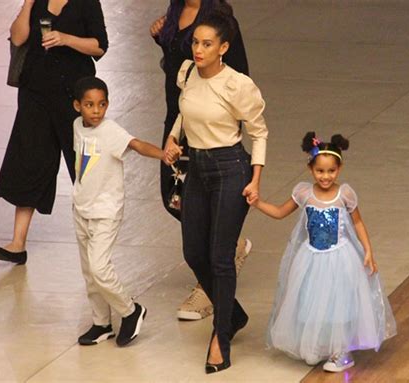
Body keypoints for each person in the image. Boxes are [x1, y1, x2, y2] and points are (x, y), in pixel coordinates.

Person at [164, 13, 268, 373]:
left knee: (221, 256)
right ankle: (233, 313)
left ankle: (220, 338)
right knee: (194, 252)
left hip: (230, 170)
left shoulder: (237, 85)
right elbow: (184, 110)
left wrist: (255, 179)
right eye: (195, 42)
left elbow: (259, 132)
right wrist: (174, 137)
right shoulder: (188, 73)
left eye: (207, 44)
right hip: (198, 169)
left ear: (224, 48)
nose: (198, 49)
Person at [250, 132, 397, 372]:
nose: (325, 176)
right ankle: (319, 343)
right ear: (310, 169)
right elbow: (279, 212)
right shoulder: (303, 193)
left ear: (339, 169)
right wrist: (257, 203)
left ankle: (341, 351)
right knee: (311, 302)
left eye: (331, 171)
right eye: (320, 171)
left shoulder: (345, 194)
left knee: (339, 304)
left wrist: (368, 250)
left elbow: (358, 223)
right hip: (311, 258)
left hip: (340, 258)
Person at [150, 0, 252, 322]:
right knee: (173, 197)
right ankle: (227, 246)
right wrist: (162, 38)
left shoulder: (218, 17)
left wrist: (223, 126)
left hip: (209, 125)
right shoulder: (175, 12)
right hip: (178, 115)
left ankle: (207, 285)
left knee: (196, 201)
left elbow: (238, 74)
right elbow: (177, 66)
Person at [0, 0, 108, 265]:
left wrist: (66, 38)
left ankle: (97, 241)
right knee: (30, 161)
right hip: (35, 93)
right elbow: (19, 37)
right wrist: (28, 4)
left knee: (83, 167)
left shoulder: (86, 2)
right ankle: (18, 243)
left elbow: (100, 45)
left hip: (74, 96)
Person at [72, 76, 174, 347]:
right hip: (81, 208)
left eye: (102, 104)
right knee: (89, 272)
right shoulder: (76, 127)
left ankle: (131, 311)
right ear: (77, 106)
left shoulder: (111, 130)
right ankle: (101, 323)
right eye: (89, 105)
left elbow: (136, 145)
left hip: (106, 211)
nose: (96, 111)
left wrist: (162, 154)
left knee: (99, 267)